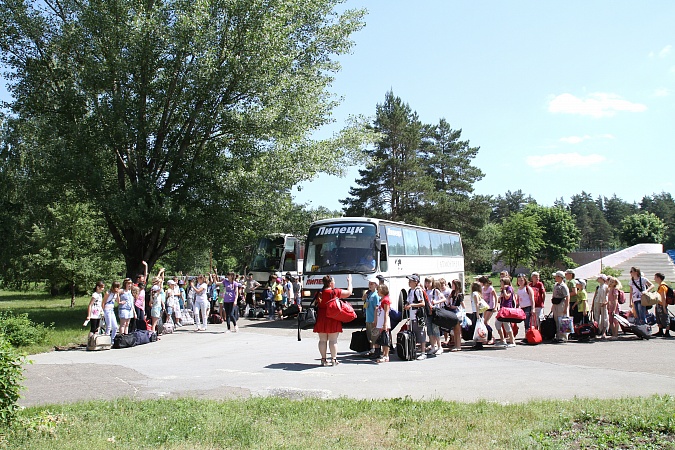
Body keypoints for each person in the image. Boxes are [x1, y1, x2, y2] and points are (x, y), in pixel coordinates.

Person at [313, 274, 353, 366]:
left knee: (322, 340)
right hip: (333, 318)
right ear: (330, 283)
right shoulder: (335, 292)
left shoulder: (319, 292)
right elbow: (349, 292)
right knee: (333, 340)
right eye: (333, 281)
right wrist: (349, 282)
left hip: (321, 318)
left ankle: (323, 359)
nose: (335, 283)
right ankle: (334, 360)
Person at [404, 274, 429, 360]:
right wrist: (407, 305)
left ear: (416, 282)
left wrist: (411, 305)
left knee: (421, 332)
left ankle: (423, 352)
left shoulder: (418, 291)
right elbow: (408, 301)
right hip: (412, 315)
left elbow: (422, 303)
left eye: (411, 281)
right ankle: (413, 350)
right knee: (413, 333)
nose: (409, 282)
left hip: (419, 315)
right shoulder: (410, 291)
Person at [424, 277, 445, 356]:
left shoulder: (435, 291)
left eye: (429, 283)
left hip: (434, 312)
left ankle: (440, 347)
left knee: (435, 330)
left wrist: (436, 302)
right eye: (426, 282)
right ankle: (433, 346)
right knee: (430, 331)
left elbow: (444, 299)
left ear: (432, 283)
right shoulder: (425, 291)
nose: (427, 284)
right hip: (428, 313)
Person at [494, 277, 516, 348]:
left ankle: (512, 341)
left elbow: (507, 297)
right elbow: (499, 299)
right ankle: (502, 339)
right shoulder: (503, 290)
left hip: (507, 308)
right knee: (497, 323)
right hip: (502, 308)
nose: (501, 284)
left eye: (502, 283)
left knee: (506, 324)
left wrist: (504, 290)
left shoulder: (509, 288)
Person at [550, 271, 570, 343]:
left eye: (556, 276)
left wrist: (566, 308)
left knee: (563, 320)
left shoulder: (563, 286)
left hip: (562, 303)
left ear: (560, 277)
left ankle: (564, 337)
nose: (555, 277)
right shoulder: (556, 285)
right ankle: (558, 336)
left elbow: (567, 297)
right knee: (556, 320)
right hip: (556, 304)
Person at [363, 277, 381, 358]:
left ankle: (376, 351)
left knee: (375, 336)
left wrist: (375, 319)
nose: (370, 285)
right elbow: (364, 299)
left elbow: (377, 308)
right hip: (368, 318)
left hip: (373, 319)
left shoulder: (376, 295)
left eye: (371, 283)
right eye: (369, 283)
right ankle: (372, 350)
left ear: (376, 285)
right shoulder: (369, 294)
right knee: (370, 336)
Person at [444, 279, 464, 352]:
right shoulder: (453, 293)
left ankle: (458, 346)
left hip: (458, 313)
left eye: (453, 284)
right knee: (454, 331)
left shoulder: (460, 294)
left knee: (457, 331)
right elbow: (448, 300)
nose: (451, 286)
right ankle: (456, 344)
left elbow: (463, 306)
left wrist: (455, 307)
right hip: (453, 312)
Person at [478, 276, 497, 344]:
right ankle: (487, 337)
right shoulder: (483, 288)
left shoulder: (490, 288)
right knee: (485, 322)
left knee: (485, 322)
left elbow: (495, 297)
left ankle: (492, 337)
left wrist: (495, 306)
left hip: (490, 306)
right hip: (485, 307)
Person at [651, 273, 671, 337]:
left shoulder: (663, 286)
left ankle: (667, 332)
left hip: (662, 305)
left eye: (655, 277)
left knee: (665, 318)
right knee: (659, 318)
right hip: (659, 304)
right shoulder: (660, 286)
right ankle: (660, 331)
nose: (654, 279)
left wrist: (664, 307)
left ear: (659, 278)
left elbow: (663, 297)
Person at [375, 284, 391, 363]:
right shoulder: (382, 299)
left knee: (385, 339)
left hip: (384, 321)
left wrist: (385, 323)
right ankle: (384, 354)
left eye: (379, 290)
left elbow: (386, 312)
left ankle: (386, 355)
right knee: (383, 338)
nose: (377, 291)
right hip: (381, 321)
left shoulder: (386, 300)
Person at [592, 274, 609, 339]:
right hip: (597, 302)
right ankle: (597, 331)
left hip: (603, 302)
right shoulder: (598, 287)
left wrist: (606, 302)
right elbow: (595, 296)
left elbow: (608, 295)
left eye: (599, 278)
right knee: (596, 316)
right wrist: (593, 305)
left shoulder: (606, 287)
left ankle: (604, 332)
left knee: (604, 317)